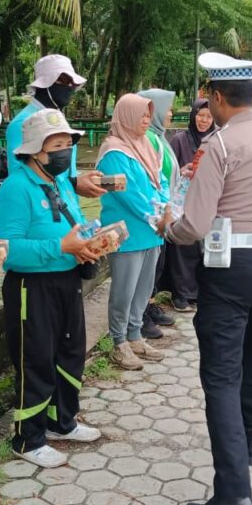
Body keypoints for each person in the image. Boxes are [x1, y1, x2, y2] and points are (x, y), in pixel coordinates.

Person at [158, 53, 252, 505]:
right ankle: (249, 440)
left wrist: (169, 229)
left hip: (231, 267)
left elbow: (196, 224)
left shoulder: (219, 145)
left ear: (217, 97)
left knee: (220, 375)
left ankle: (234, 495)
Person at [0, 109, 103, 468]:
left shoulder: (60, 183)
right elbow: (7, 250)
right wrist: (60, 247)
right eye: (57, 146)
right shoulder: (15, 189)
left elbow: (76, 226)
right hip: (32, 287)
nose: (65, 152)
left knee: (70, 353)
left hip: (67, 280)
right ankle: (28, 439)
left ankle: (62, 422)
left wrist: (91, 242)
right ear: (35, 151)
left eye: (68, 145)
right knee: (36, 360)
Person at [95, 93, 169, 370]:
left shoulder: (145, 145)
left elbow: (160, 179)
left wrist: (166, 207)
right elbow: (128, 194)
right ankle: (119, 343)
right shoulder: (112, 152)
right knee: (124, 291)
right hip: (127, 233)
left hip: (151, 232)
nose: (147, 120)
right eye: (142, 115)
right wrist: (157, 214)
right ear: (126, 116)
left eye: (149, 115)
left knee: (143, 289)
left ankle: (135, 336)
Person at [5, 54, 105, 199]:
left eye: (72, 82)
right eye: (63, 80)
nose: (69, 87)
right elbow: (20, 176)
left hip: (66, 203)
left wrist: (80, 180)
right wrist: (74, 184)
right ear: (44, 84)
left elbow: (65, 171)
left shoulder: (58, 119)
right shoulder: (23, 123)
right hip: (42, 206)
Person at [161, 98, 215, 311]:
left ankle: (197, 292)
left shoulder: (215, 140)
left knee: (201, 248)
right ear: (193, 116)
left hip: (205, 200)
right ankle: (180, 293)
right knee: (182, 247)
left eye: (209, 116)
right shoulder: (180, 139)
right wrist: (183, 170)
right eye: (200, 115)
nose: (204, 120)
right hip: (181, 202)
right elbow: (169, 169)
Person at [137, 88, 180, 333]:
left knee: (158, 261)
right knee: (151, 264)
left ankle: (149, 306)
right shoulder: (151, 139)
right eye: (168, 109)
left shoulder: (159, 137)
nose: (170, 114)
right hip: (155, 212)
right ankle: (143, 312)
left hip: (163, 210)